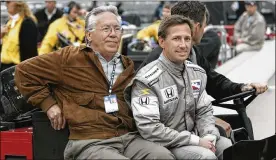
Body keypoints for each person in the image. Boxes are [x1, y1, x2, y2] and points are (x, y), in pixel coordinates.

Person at [14, 5, 174, 160]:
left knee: (163, 155)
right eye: (106, 29)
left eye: (117, 29)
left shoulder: (127, 65)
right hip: (90, 140)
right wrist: (48, 104)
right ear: (89, 35)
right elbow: (23, 71)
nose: (113, 34)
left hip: (127, 137)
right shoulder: (69, 58)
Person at [137, 1, 268, 137]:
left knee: (240, 125)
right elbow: (167, 112)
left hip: (187, 123)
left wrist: (242, 88)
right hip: (168, 131)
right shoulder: (157, 62)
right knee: (227, 131)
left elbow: (214, 82)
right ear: (197, 27)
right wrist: (210, 123)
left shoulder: (194, 53)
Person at [125, 15, 232, 160]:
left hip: (195, 137)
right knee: (206, 157)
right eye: (176, 39)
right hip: (164, 145)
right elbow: (149, 128)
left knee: (228, 147)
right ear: (162, 42)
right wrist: (196, 141)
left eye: (187, 39)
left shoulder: (197, 73)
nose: (183, 45)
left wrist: (210, 134)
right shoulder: (146, 80)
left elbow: (204, 111)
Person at [0, 1, 38, 71]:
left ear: (18, 4)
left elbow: (29, 52)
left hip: (17, 68)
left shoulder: (27, 23)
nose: (6, 4)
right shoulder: (9, 22)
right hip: (4, 67)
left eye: (8, 2)